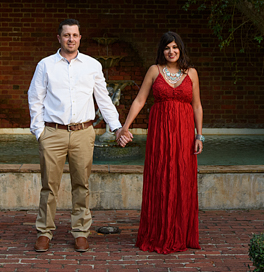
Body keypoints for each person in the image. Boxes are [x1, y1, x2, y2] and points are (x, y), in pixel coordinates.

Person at [28, 19, 123, 253]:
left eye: (75, 35)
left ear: (80, 38)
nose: (71, 39)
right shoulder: (46, 65)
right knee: (49, 186)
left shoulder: (91, 65)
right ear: (58, 38)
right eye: (67, 35)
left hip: (83, 133)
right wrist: (39, 132)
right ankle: (44, 232)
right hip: (53, 132)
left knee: (81, 184)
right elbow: (35, 98)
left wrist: (117, 127)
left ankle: (80, 231)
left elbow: (103, 99)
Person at [115, 32, 204, 253]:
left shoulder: (191, 73)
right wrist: (125, 126)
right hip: (160, 134)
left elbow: (197, 106)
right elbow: (140, 100)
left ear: (180, 49)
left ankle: (180, 233)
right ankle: (158, 232)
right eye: (167, 48)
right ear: (161, 51)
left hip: (184, 134)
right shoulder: (154, 71)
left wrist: (199, 135)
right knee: (161, 177)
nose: (171, 51)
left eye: (175, 47)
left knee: (182, 178)